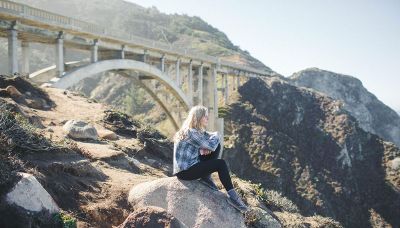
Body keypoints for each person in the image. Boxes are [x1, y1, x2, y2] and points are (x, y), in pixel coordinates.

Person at [172, 105, 248, 213]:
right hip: (185, 172)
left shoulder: (193, 131)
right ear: (198, 118)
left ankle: (205, 177)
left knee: (217, 145)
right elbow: (211, 144)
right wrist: (216, 136)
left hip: (189, 166)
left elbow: (210, 139)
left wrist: (210, 142)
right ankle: (234, 198)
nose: (207, 119)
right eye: (205, 116)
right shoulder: (191, 132)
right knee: (220, 163)